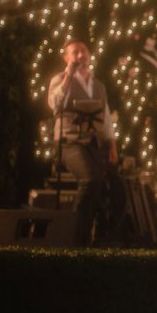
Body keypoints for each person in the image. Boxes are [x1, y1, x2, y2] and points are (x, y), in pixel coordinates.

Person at [47, 39, 118, 245]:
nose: (81, 56)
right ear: (66, 58)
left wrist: (112, 146)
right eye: (75, 52)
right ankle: (75, 236)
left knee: (115, 189)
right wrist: (68, 75)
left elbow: (105, 120)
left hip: (93, 143)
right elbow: (54, 104)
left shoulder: (98, 85)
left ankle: (99, 239)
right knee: (90, 179)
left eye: (84, 51)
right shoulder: (59, 79)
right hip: (68, 143)